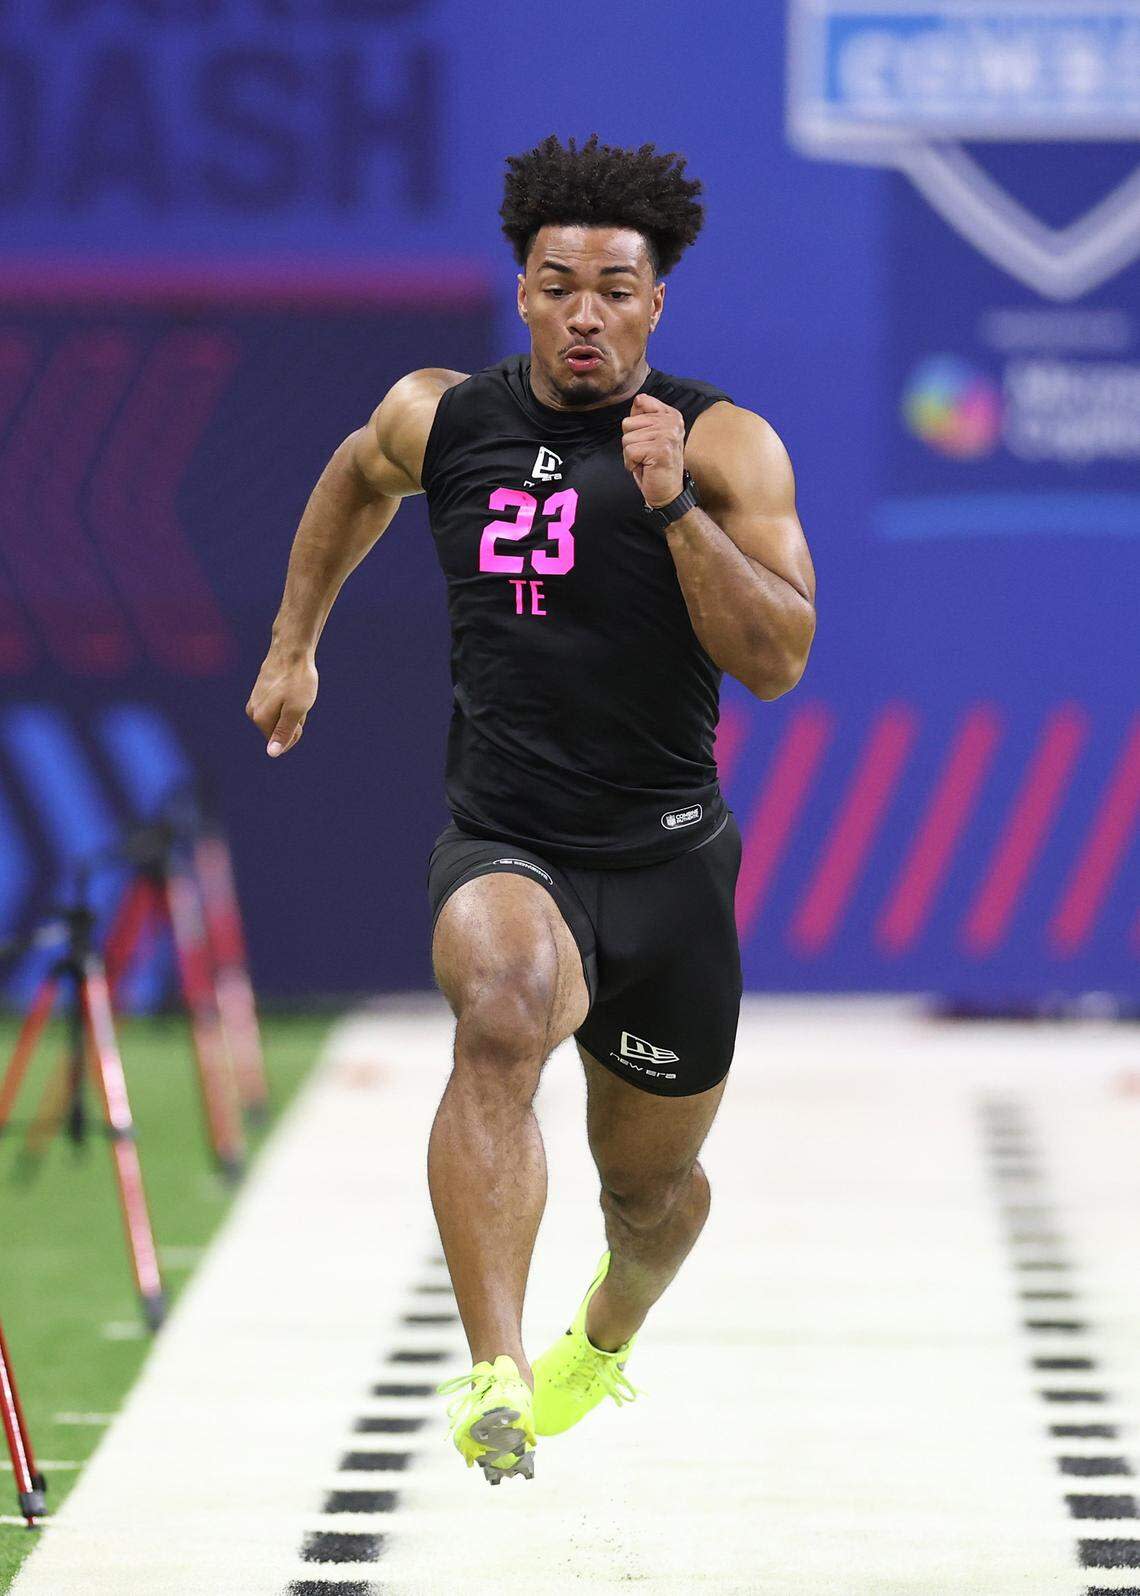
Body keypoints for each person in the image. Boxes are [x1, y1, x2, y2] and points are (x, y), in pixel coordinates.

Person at [247, 133, 816, 1486]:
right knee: (501, 1010)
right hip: (510, 837)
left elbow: (781, 658)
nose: (586, 312)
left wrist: (673, 503)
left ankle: (600, 1337)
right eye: (559, 283)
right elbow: (351, 476)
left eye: (616, 287)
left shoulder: (724, 443)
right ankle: (491, 1369)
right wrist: (293, 643)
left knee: (652, 1195)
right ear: (522, 290)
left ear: (656, 300)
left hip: (671, 862)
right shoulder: (441, 417)